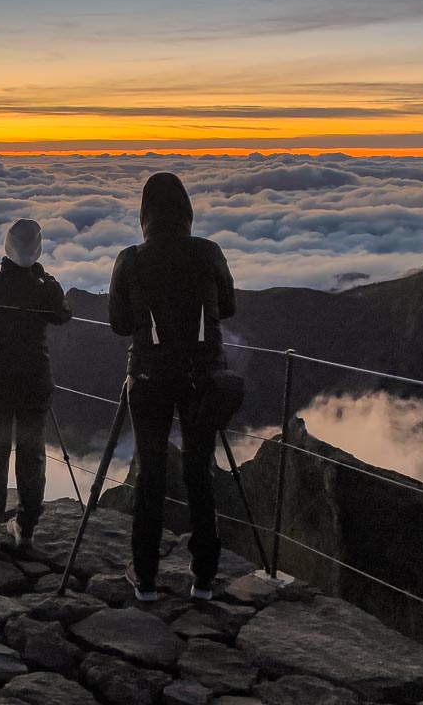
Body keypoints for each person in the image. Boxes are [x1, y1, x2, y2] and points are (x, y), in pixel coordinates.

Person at [108, 173, 236, 602]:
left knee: (151, 474)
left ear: (145, 214)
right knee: (199, 472)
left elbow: (120, 324)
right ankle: (204, 579)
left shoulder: (130, 259)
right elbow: (229, 307)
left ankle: (144, 578)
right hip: (203, 376)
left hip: (147, 377)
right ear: (186, 211)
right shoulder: (209, 253)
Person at [0, 218, 72, 559]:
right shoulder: (43, 287)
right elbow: (62, 314)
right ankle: (25, 529)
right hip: (35, 381)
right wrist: (44, 276)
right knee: (31, 453)